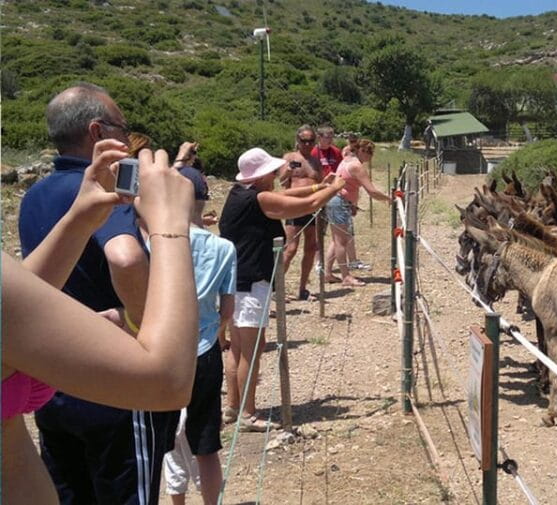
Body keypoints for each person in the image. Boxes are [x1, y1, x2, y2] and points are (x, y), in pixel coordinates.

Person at [3, 141, 198, 505]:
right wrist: (170, 224)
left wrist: (80, 220)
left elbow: (16, 307)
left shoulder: (34, 196)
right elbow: (167, 382)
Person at [219, 147, 344, 431]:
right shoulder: (259, 199)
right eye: (273, 171)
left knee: (238, 348)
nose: (278, 175)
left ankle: (233, 407)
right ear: (262, 175)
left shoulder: (241, 194)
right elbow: (309, 205)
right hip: (251, 281)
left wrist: (319, 185)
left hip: (237, 280)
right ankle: (248, 414)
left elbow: (289, 196)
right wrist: (334, 188)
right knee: (250, 350)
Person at [157, 170, 236, 505]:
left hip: (163, 348)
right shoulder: (224, 247)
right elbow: (227, 308)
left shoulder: (154, 243)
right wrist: (217, 331)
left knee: (168, 440)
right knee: (206, 445)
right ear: (204, 199)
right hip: (204, 348)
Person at [324, 139, 391, 287]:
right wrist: (388, 198)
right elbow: (372, 191)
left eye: (371, 152)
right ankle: (345, 276)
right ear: (360, 150)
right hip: (340, 202)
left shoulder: (347, 160)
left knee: (337, 240)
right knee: (341, 241)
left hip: (337, 201)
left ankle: (327, 273)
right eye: (368, 151)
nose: (370, 156)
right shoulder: (356, 166)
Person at [281, 126, 323, 301]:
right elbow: (282, 180)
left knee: (311, 248)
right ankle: (276, 288)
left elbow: (320, 181)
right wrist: (288, 170)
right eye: (304, 140)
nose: (307, 144)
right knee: (290, 248)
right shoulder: (289, 157)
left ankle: (302, 289)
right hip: (294, 205)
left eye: (311, 140)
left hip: (312, 207)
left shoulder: (316, 161)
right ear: (297, 140)